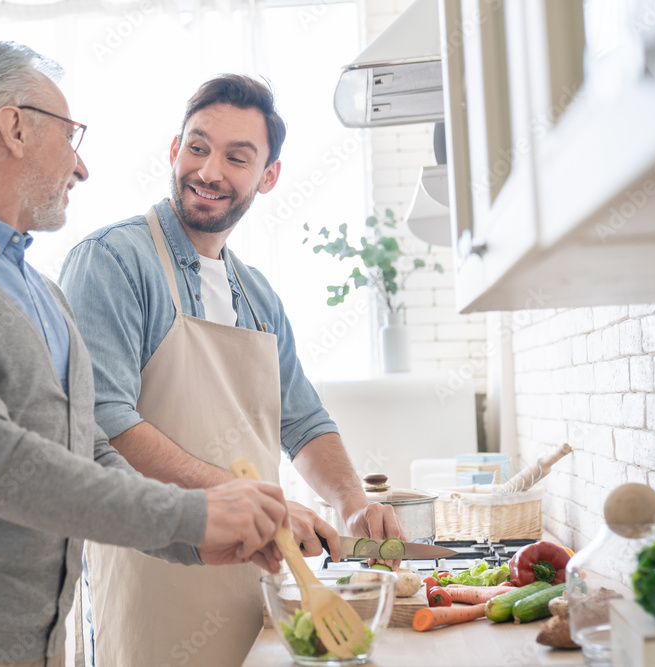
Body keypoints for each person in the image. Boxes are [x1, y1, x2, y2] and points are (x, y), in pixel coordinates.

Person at [0, 44, 291, 667]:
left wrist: (192, 538)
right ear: (15, 127)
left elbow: (91, 449)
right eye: (71, 136)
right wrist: (192, 510)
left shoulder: (40, 291)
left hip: (44, 641)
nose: (82, 169)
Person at [58, 74, 404, 667]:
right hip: (153, 582)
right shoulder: (113, 261)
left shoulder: (258, 294)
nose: (210, 171)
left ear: (268, 177)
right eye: (197, 147)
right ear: (174, 150)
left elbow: (303, 419)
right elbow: (103, 421)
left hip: (254, 587)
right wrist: (252, 502)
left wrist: (350, 502)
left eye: (237, 158)